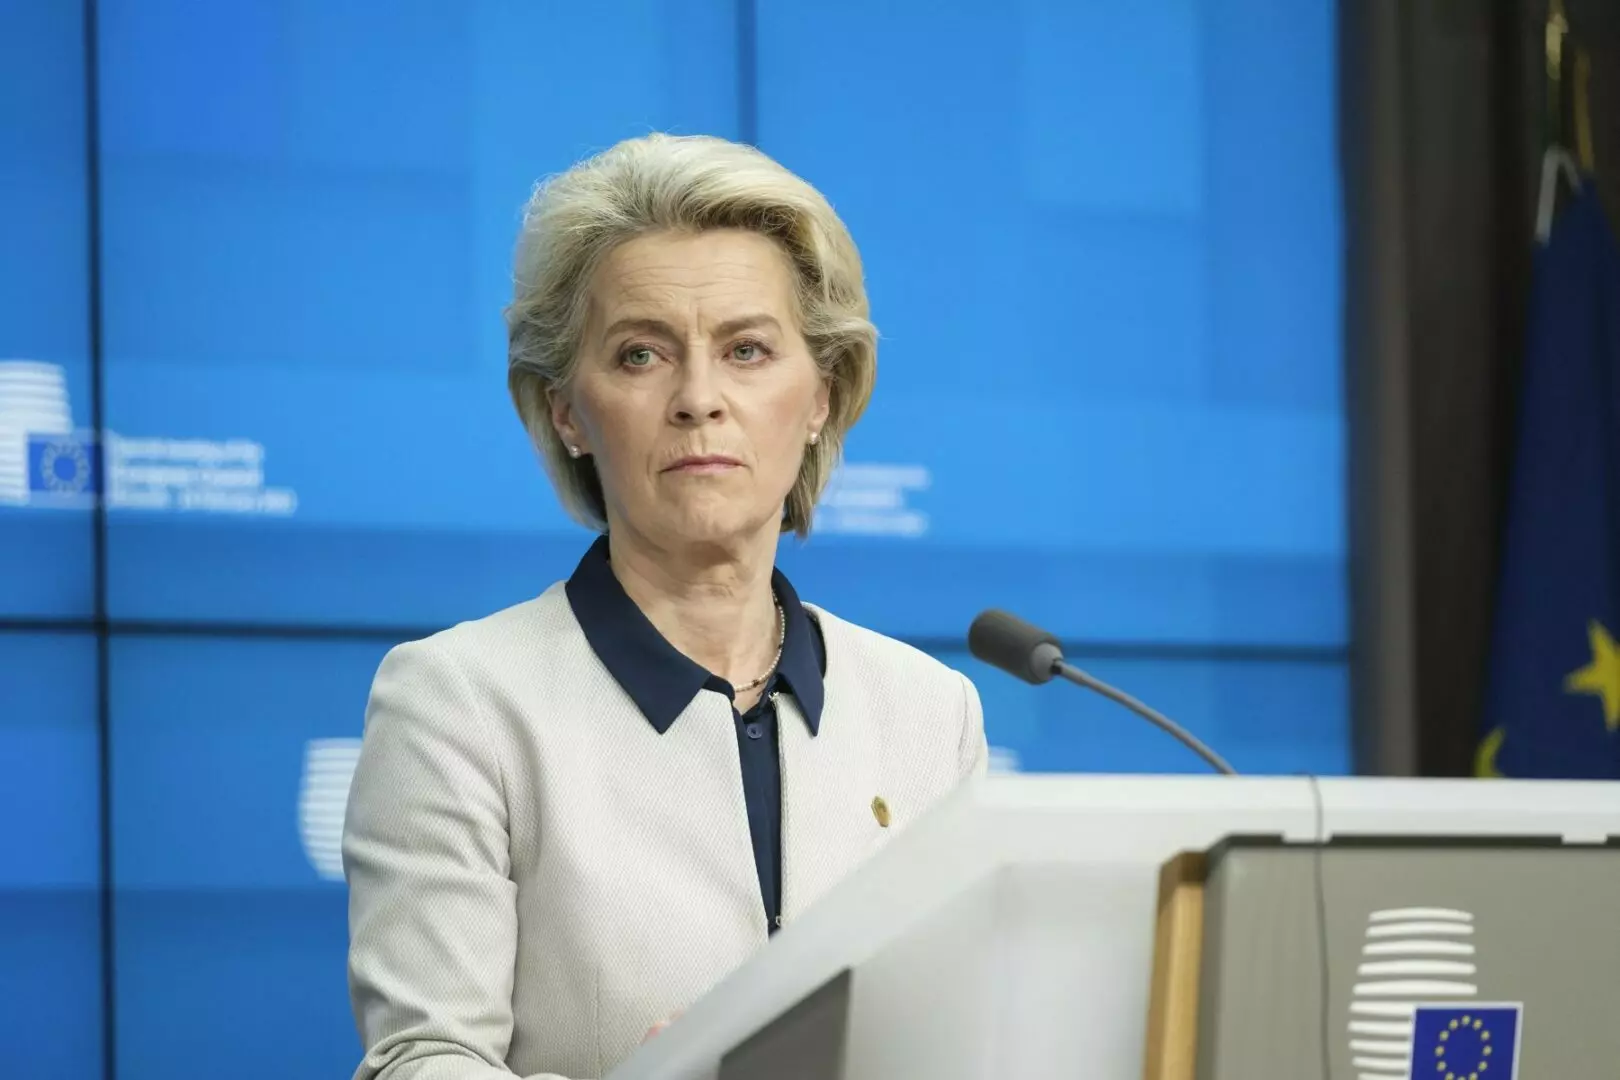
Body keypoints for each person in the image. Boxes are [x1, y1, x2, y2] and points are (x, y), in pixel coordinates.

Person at [342, 132, 987, 1080]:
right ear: (568, 410)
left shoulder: (930, 712)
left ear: (821, 395)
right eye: (641, 354)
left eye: (747, 350)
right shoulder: (458, 703)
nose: (699, 399)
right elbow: (421, 1059)